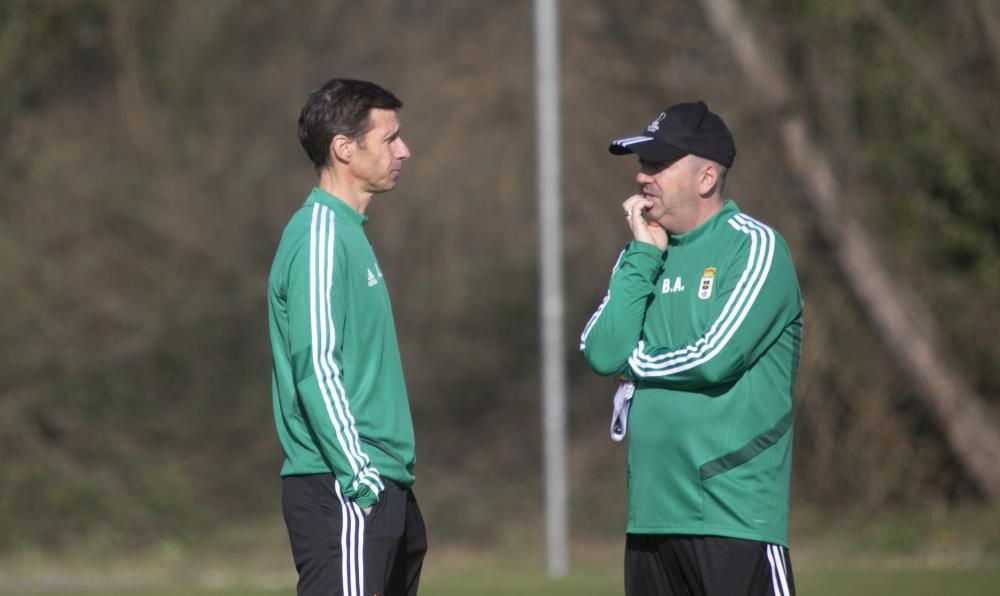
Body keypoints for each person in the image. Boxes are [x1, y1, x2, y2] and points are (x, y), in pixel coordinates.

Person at [580, 100, 803, 596]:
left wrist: (633, 364)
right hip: (649, 520)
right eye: (642, 164)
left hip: (731, 519)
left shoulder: (754, 247)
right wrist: (642, 255)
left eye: (659, 165)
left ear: (706, 179)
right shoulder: (641, 252)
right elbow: (599, 351)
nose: (643, 177)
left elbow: (712, 357)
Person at [268, 78, 426, 596]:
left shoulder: (350, 233)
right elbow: (317, 366)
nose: (404, 150)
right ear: (344, 148)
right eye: (389, 138)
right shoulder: (319, 236)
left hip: (383, 484)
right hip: (346, 487)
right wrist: (360, 478)